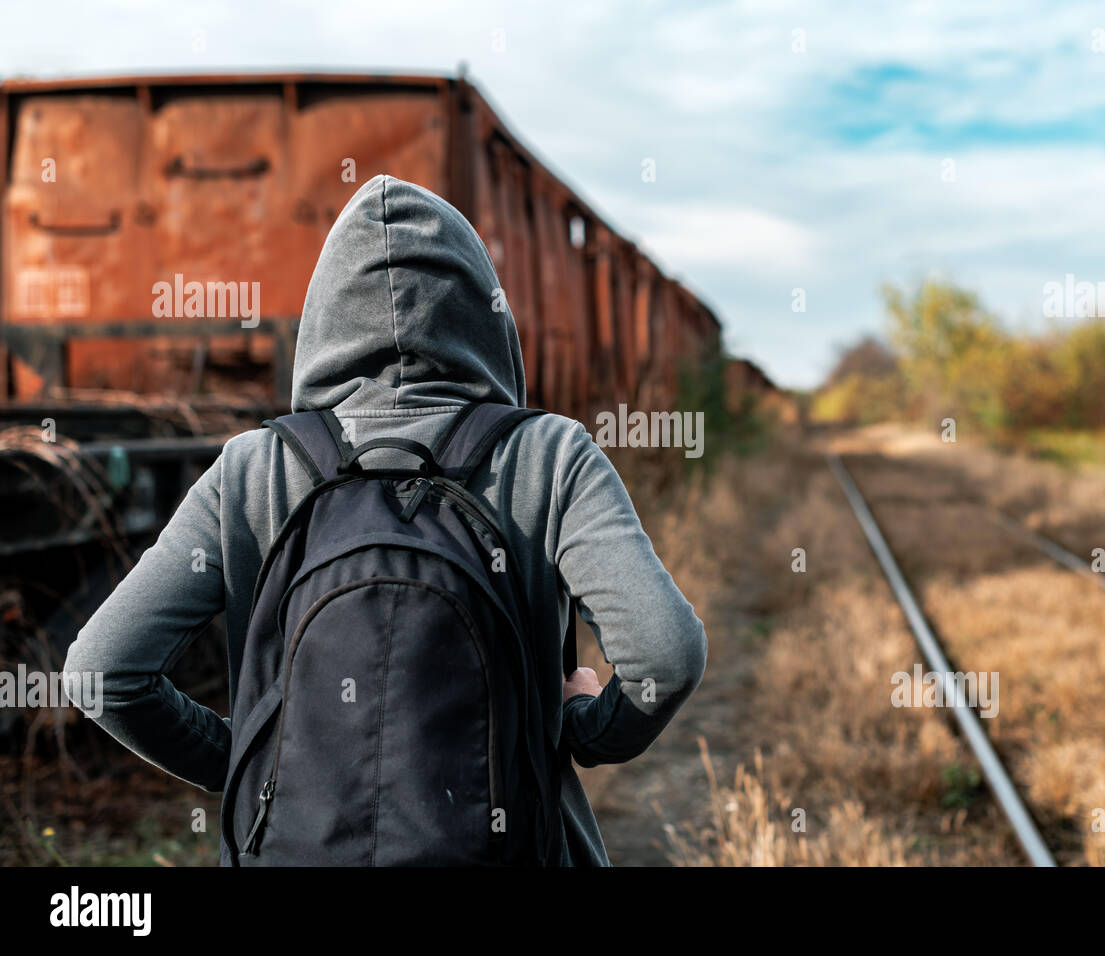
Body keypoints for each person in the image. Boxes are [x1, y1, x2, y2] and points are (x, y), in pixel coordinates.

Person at [62, 174, 708, 866]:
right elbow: (665, 656)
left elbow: (103, 672)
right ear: (483, 313)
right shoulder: (549, 455)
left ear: (324, 317)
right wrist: (580, 728)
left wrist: (263, 771)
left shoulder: (253, 467)